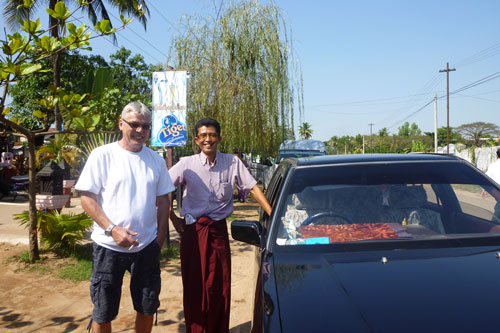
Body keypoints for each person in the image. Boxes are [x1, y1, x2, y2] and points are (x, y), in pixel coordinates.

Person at [75, 101, 175, 333]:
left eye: (146, 126)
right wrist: (112, 229)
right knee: (103, 309)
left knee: (147, 306)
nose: (140, 131)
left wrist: (159, 239)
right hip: (108, 246)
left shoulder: (156, 161)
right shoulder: (102, 155)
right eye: (134, 124)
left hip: (146, 248)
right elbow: (87, 199)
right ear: (121, 124)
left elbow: (163, 201)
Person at [169, 117, 272, 333]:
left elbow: (252, 187)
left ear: (220, 138)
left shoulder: (232, 162)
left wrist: (272, 213)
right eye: (203, 136)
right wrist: (172, 218)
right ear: (196, 140)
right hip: (193, 233)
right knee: (195, 287)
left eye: (212, 135)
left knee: (219, 287)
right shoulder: (186, 164)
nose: (208, 140)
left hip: (217, 233)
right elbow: (160, 189)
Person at [486, 148, 500, 218]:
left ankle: (494, 225)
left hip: (497, 190)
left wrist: (484, 189)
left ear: (497, 155)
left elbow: (486, 178)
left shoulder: (492, 165)